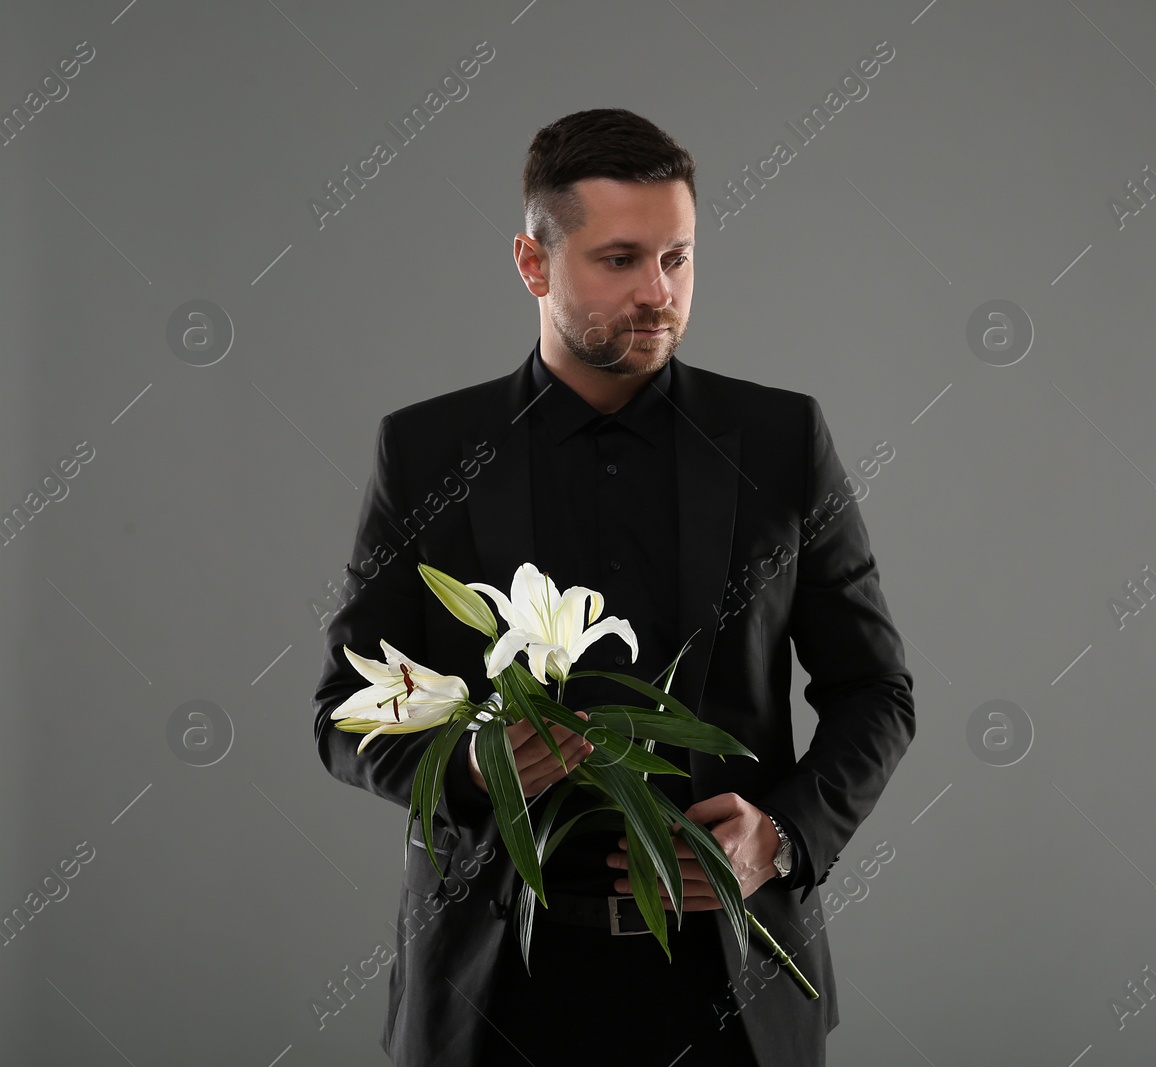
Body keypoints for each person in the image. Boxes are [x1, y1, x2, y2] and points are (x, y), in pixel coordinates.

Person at [311, 108, 916, 1066]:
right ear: (532, 262)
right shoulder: (427, 452)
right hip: (493, 993)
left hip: (729, 987)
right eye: (621, 259)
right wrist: (476, 767)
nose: (658, 293)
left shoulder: (782, 440)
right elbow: (345, 710)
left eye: (677, 258)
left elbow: (875, 690)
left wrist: (787, 837)